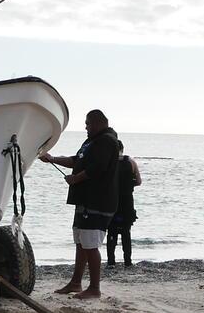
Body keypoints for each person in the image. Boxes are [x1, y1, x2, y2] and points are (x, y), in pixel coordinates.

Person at [39, 108, 121, 299]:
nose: (86, 127)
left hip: (98, 201)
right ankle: (76, 283)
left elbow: (98, 168)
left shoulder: (107, 141)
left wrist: (76, 179)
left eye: (88, 123)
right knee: (81, 242)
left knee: (91, 244)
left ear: (99, 122)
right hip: (84, 200)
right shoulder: (91, 142)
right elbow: (76, 160)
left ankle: (94, 288)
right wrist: (53, 159)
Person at [106, 139, 142, 269]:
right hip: (127, 201)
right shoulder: (131, 162)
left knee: (111, 232)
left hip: (112, 201)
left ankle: (111, 262)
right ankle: (128, 261)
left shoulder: (108, 163)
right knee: (126, 232)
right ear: (122, 149)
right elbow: (138, 181)